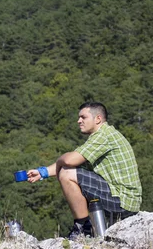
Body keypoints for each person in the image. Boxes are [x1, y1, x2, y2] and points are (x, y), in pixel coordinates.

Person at [27, 102, 142, 239]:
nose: (79, 121)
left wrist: (60, 159)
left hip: (122, 200)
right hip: (121, 197)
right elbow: (73, 161)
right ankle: (85, 227)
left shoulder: (104, 136)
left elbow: (69, 161)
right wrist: (42, 173)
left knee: (67, 173)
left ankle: (83, 228)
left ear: (98, 119)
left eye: (83, 117)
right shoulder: (102, 135)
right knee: (68, 170)